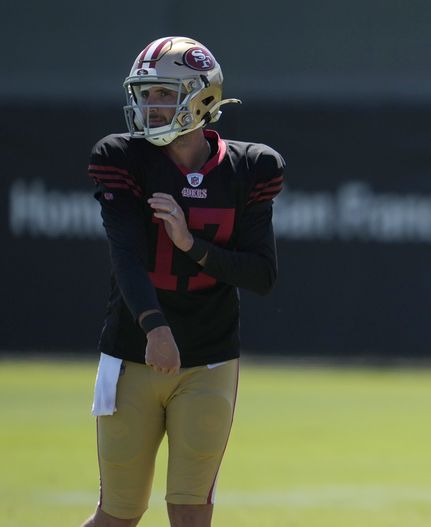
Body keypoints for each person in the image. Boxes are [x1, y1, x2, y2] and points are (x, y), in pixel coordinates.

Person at [82, 36, 284, 527]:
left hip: (209, 357)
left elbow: (260, 274)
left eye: (162, 94)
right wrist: (155, 328)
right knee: (118, 515)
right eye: (145, 94)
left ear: (203, 97)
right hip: (133, 351)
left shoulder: (251, 167)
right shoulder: (121, 157)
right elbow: (126, 256)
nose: (149, 106)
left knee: (192, 512)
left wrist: (190, 244)